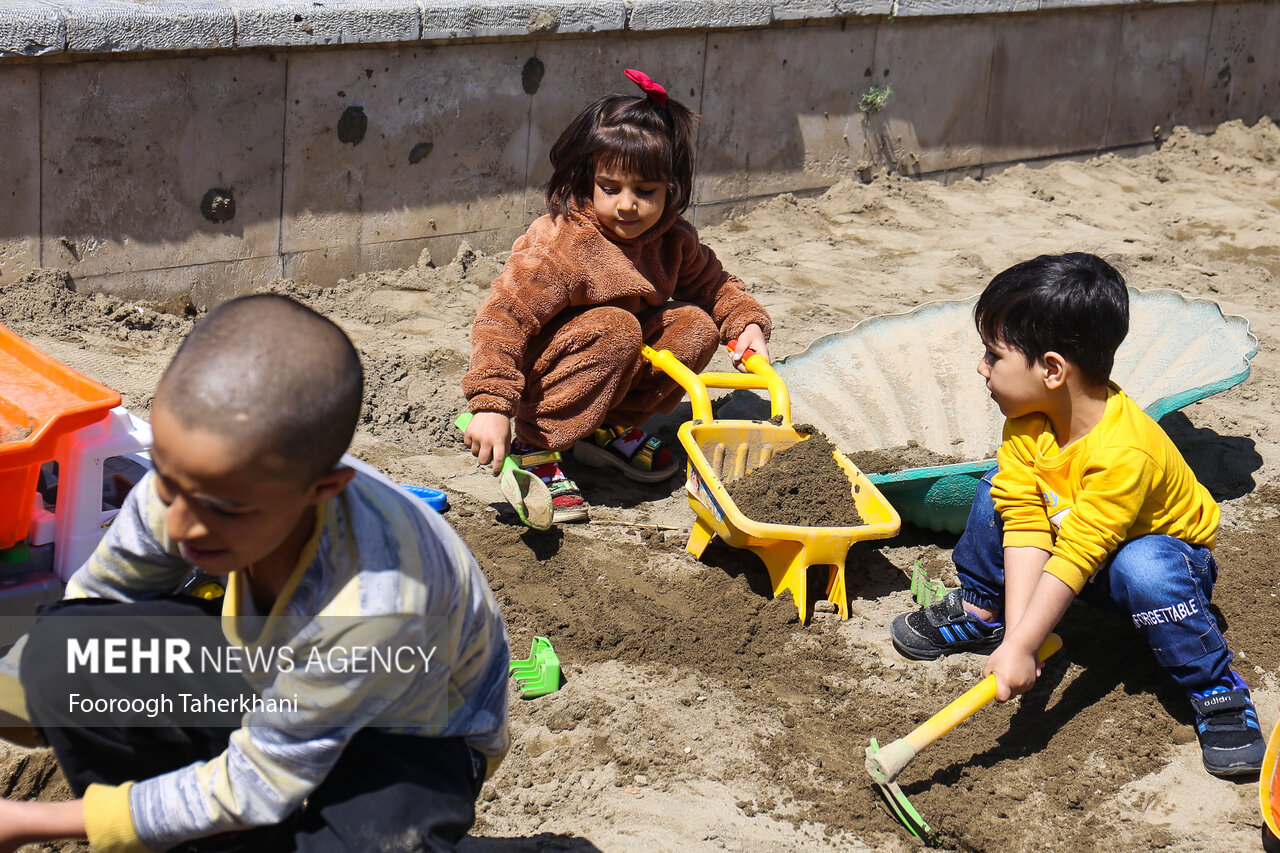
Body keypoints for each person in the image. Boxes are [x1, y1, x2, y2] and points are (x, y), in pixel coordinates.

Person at [0, 294, 510, 852]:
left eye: (225, 509)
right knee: (70, 648)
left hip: (411, 727)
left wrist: (30, 824)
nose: (186, 525)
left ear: (318, 492)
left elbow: (258, 784)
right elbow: (98, 604)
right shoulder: (191, 485)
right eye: (170, 483)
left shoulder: (377, 597)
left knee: (374, 842)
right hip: (274, 670)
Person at [889, 253, 1265, 778]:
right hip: (1070, 556)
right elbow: (1024, 521)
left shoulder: (1123, 451)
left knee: (1146, 566)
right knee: (997, 490)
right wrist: (1022, 637)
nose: (982, 368)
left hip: (1155, 571)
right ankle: (984, 611)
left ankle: (1214, 688)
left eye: (993, 356)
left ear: (1051, 369)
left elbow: (1082, 552)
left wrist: (1023, 648)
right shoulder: (1028, 422)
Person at [461, 68, 772, 523]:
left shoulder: (671, 240)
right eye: (611, 189)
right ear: (589, 181)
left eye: (645, 192)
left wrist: (744, 322)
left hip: (610, 365)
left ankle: (606, 427)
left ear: (672, 190)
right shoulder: (561, 246)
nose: (627, 205)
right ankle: (537, 442)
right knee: (617, 326)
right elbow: (502, 320)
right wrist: (491, 406)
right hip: (544, 378)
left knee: (695, 325)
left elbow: (714, 284)